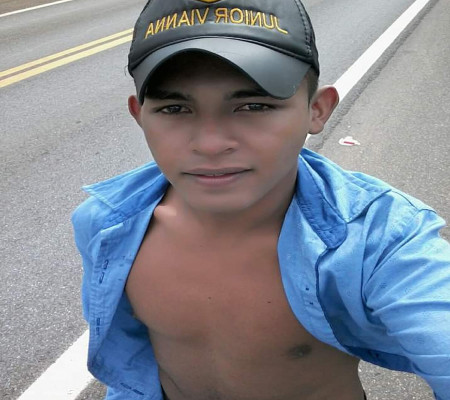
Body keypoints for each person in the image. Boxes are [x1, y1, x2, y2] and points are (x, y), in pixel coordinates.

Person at [71, 0, 450, 399]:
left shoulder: (377, 238)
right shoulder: (106, 224)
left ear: (317, 110)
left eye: (254, 106)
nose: (210, 144)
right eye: (175, 108)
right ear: (139, 115)